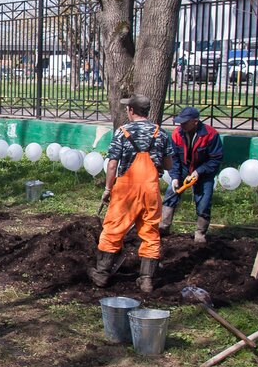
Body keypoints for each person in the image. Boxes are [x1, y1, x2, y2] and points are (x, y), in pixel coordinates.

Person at [90, 93, 173, 293]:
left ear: (131, 111)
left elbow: (112, 165)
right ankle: (146, 280)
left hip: (126, 190)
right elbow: (169, 164)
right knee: (151, 232)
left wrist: (108, 189)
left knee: (113, 229)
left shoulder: (122, 132)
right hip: (150, 190)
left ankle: (101, 275)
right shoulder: (160, 134)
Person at [160, 106, 224, 243]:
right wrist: (175, 177)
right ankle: (163, 226)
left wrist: (199, 172)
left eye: (184, 122)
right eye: (180, 122)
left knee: (204, 201)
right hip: (183, 168)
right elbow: (174, 157)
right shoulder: (177, 134)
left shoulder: (210, 135)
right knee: (171, 193)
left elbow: (215, 159)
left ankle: (200, 233)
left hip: (204, 171)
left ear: (195, 122)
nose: (181, 125)